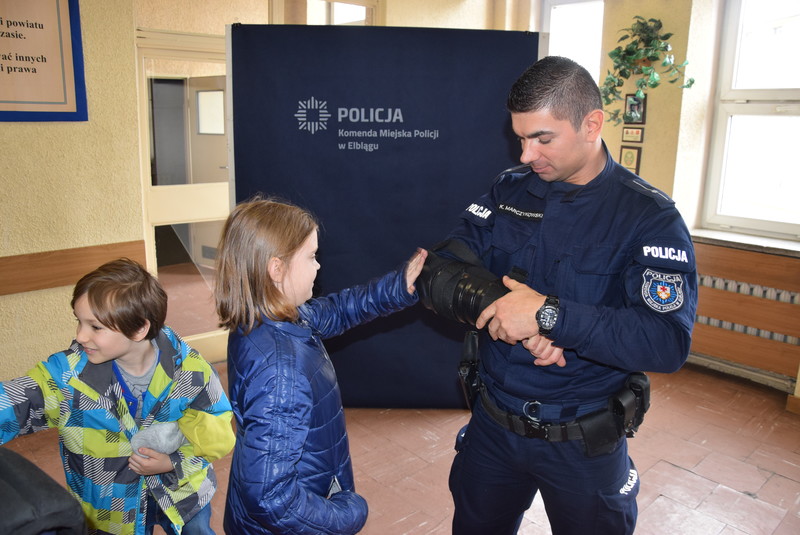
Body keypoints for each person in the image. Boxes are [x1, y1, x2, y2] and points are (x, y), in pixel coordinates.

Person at [438, 56, 698, 534]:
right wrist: (512, 310)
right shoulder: (510, 190)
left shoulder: (649, 217)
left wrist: (551, 317)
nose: (526, 155)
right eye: (521, 138)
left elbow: (666, 341)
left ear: (591, 124)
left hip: (584, 442)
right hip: (493, 426)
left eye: (542, 138)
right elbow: (443, 268)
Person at [214, 197, 427, 535]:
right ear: (276, 269)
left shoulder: (266, 318)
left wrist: (397, 287)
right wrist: (346, 514)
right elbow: (270, 499)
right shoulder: (281, 373)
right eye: (311, 257)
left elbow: (338, 310)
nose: (318, 266)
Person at [0, 258, 236, 535]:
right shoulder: (66, 378)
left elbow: (217, 430)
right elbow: (16, 399)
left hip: (184, 495)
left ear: (139, 329)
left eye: (95, 327)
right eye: (79, 322)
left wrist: (173, 462)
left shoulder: (191, 371)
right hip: (110, 510)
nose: (81, 336)